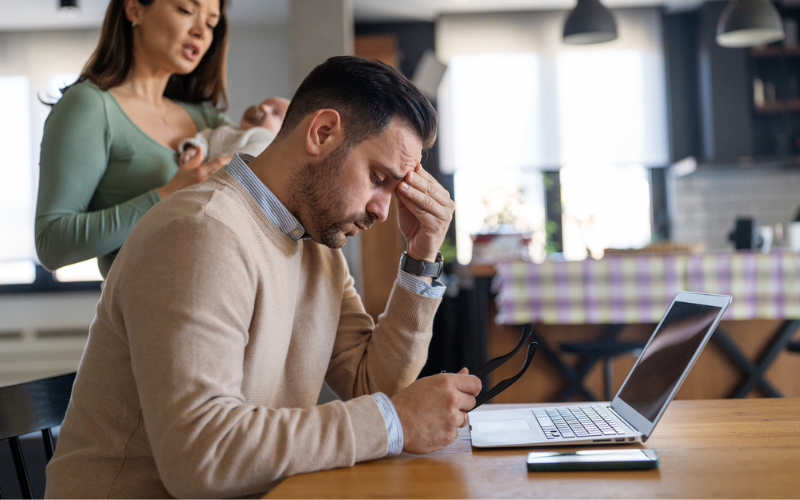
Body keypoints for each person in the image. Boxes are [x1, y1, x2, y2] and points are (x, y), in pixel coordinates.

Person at [44, 55, 481, 499]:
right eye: (377, 177)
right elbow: (202, 458)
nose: (383, 210)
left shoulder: (318, 247)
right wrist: (390, 420)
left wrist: (423, 256)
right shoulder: (201, 231)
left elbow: (376, 387)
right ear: (322, 133)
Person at [35, 0, 232, 278]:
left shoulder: (207, 119)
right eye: (186, 10)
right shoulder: (90, 106)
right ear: (134, 9)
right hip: (150, 314)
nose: (201, 31)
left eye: (211, 23)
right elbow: (51, 244)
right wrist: (164, 196)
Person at [177, 96, 290, 165]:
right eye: (263, 104)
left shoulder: (266, 141)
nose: (263, 107)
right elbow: (206, 137)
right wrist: (194, 149)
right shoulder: (228, 130)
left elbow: (249, 158)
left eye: (276, 113)